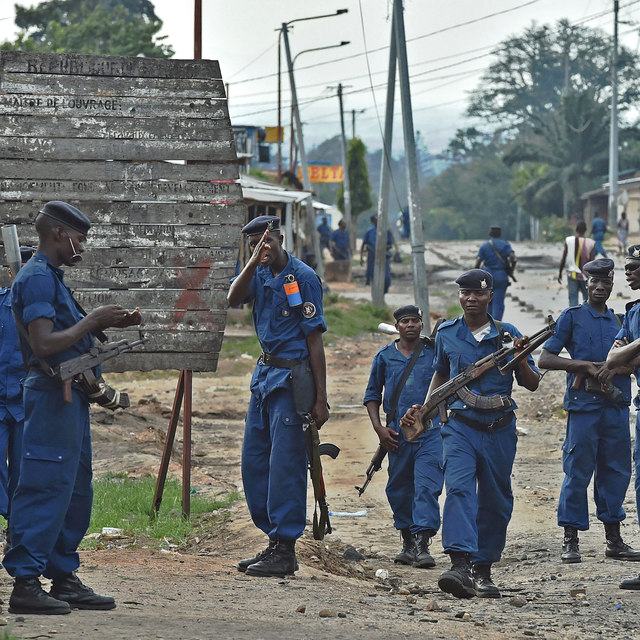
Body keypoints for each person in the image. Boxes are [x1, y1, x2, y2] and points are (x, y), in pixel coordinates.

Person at [4, 201, 142, 615]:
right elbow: (44, 344)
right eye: (80, 238)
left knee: (74, 491)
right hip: (49, 398)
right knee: (44, 487)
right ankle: (26, 584)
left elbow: (66, 336)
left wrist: (104, 325)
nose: (82, 245)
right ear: (61, 233)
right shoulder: (36, 279)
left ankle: (62, 576)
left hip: (70, 400)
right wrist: (91, 320)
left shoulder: (52, 279)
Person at [402, 269, 540, 599]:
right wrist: (424, 410)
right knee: (460, 490)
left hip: (499, 428)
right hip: (459, 427)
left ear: (491, 296)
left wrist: (518, 357)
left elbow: (532, 383)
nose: (471, 299)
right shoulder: (447, 332)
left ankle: (483, 569)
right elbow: (440, 376)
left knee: (495, 499)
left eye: (478, 293)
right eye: (465, 293)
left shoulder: (508, 335)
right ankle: (460, 563)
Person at [228, 215, 329, 578]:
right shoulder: (258, 271)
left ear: (280, 239)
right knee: (254, 462)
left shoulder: (302, 279)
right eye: (255, 243)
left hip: (291, 379)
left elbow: (315, 340)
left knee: (285, 466)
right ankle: (273, 538)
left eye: (266, 242)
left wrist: (321, 397)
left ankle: (286, 549)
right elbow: (233, 299)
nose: (262, 248)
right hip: (264, 377)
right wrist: (252, 261)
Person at [539, 258, 640, 565]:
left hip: (616, 405)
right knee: (577, 473)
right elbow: (545, 359)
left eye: (606, 283)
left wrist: (616, 367)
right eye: (595, 282)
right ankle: (571, 540)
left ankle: (614, 539)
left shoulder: (620, 319)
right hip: (583, 407)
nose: (600, 288)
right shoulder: (572, 317)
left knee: (616, 472)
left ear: (612, 286)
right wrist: (582, 365)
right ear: (586, 283)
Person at [363, 306, 443, 569]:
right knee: (399, 489)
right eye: (405, 321)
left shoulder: (434, 353)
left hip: (431, 433)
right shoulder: (384, 357)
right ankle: (407, 540)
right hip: (397, 435)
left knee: (427, 486)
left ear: (422, 325)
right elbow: (372, 396)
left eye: (415, 321)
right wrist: (379, 430)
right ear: (397, 327)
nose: (411, 325)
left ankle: (422, 543)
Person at [605, 244, 640, 590]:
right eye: (627, 268)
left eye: (633, 268)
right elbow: (612, 359)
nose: (627, 273)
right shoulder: (632, 312)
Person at [0, 247, 35, 533]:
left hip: (29, 404)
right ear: (10, 274)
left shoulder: (41, 310)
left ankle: (15, 532)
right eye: (18, 269)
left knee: (24, 472)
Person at [474, 226, 515, 321]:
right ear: (500, 234)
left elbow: (478, 262)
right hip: (501, 276)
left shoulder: (484, 246)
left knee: (487, 301)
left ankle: (487, 324)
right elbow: (513, 258)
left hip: (486, 277)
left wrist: (475, 276)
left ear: (490, 234)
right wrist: (511, 270)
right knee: (498, 302)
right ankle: (496, 325)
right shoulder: (505, 245)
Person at [558, 221, 595, 307]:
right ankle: (588, 318)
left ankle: (574, 319)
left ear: (576, 229)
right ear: (585, 230)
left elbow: (563, 258)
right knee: (588, 300)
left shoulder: (569, 241)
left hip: (572, 275)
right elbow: (592, 262)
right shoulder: (591, 243)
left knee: (573, 299)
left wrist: (560, 273)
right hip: (586, 276)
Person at [360, 215, 392, 292]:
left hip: (383, 256)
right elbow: (364, 244)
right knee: (374, 277)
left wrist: (382, 247)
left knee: (386, 278)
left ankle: (383, 292)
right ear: (374, 221)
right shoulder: (369, 231)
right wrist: (361, 258)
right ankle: (376, 296)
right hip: (372, 256)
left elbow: (390, 244)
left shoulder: (386, 231)